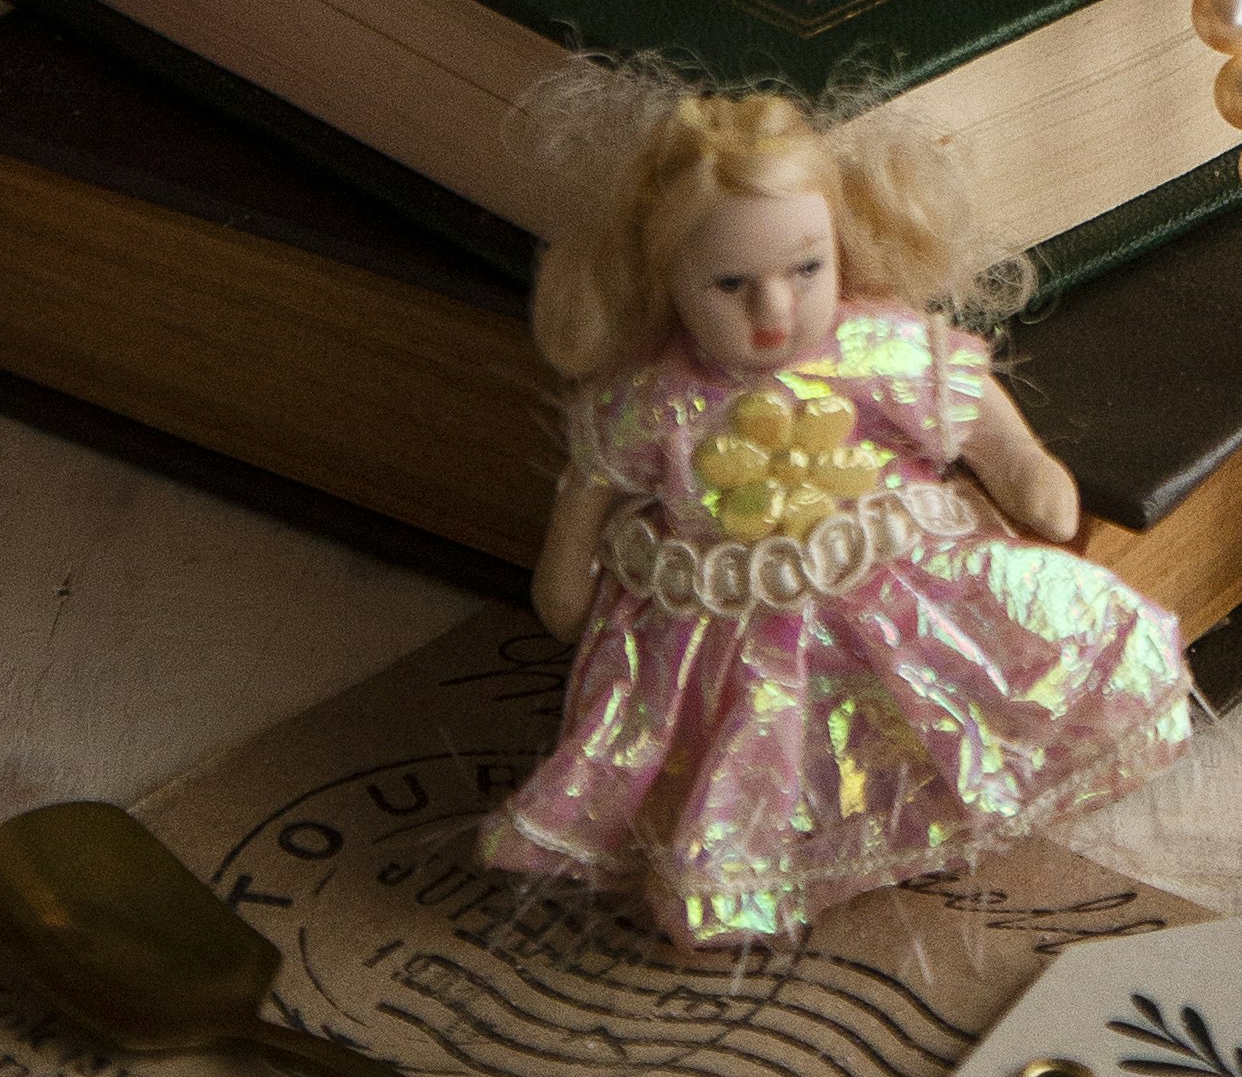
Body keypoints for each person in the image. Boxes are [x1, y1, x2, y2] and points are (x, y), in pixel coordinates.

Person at [481, 78, 1188, 949]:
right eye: (731, 284)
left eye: (805, 269)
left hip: (893, 595)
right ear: (669, 280)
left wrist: (1027, 473)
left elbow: (990, 435)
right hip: (716, 643)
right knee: (758, 752)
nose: (775, 311)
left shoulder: (873, 348)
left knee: (930, 693)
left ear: (840, 247)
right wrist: (565, 586)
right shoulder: (654, 404)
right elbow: (576, 533)